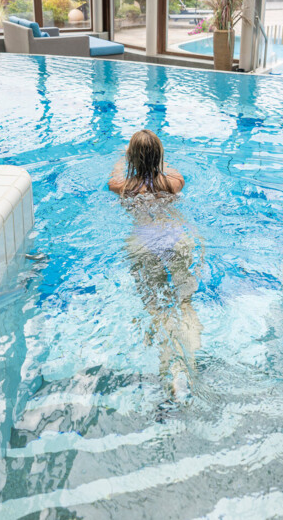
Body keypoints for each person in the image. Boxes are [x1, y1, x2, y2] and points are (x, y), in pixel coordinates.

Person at [109, 130, 200, 404]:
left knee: (158, 310)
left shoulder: (122, 186)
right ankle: (189, 365)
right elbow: (168, 170)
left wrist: (125, 159)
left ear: (131, 158)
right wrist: (158, 162)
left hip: (144, 243)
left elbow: (115, 174)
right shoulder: (174, 183)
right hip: (176, 239)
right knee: (185, 304)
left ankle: (170, 368)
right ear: (160, 157)